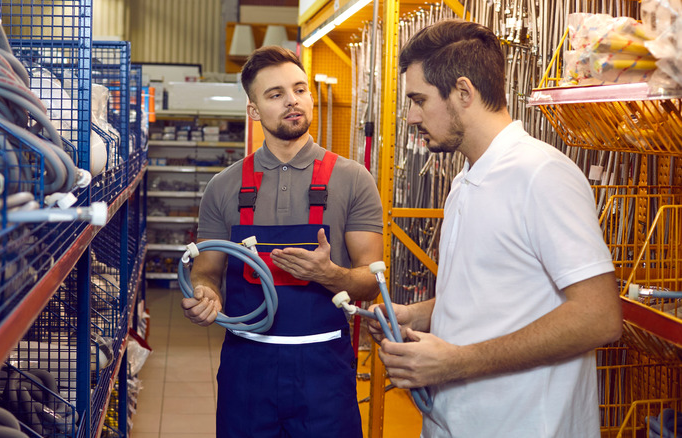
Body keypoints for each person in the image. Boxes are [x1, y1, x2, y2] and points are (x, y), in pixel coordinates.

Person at [368, 19, 623, 437]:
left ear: (463, 92)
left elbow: (599, 317)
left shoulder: (540, 174)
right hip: (455, 421)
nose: (411, 117)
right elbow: (491, 293)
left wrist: (456, 362)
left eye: (419, 100)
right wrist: (417, 314)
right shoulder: (465, 180)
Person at [180, 45, 383, 437]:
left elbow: (372, 281)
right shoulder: (223, 187)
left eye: (300, 89)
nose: (293, 100)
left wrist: (329, 274)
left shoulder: (353, 179)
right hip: (247, 368)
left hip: (324, 370)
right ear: (253, 110)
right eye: (275, 94)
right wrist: (204, 295)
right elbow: (206, 272)